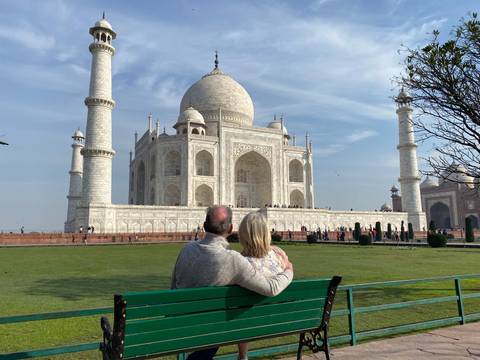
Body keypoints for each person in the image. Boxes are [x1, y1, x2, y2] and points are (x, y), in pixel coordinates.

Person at [171, 206, 293, 360]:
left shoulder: (186, 250)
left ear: (204, 225)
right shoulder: (233, 259)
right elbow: (271, 288)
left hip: (178, 325)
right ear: (230, 228)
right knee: (221, 322)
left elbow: (173, 286)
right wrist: (289, 269)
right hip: (209, 329)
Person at [236, 211, 291, 360]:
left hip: (249, 321)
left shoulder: (238, 262)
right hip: (285, 317)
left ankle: (243, 355)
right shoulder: (279, 255)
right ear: (267, 233)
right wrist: (289, 270)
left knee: (241, 310)